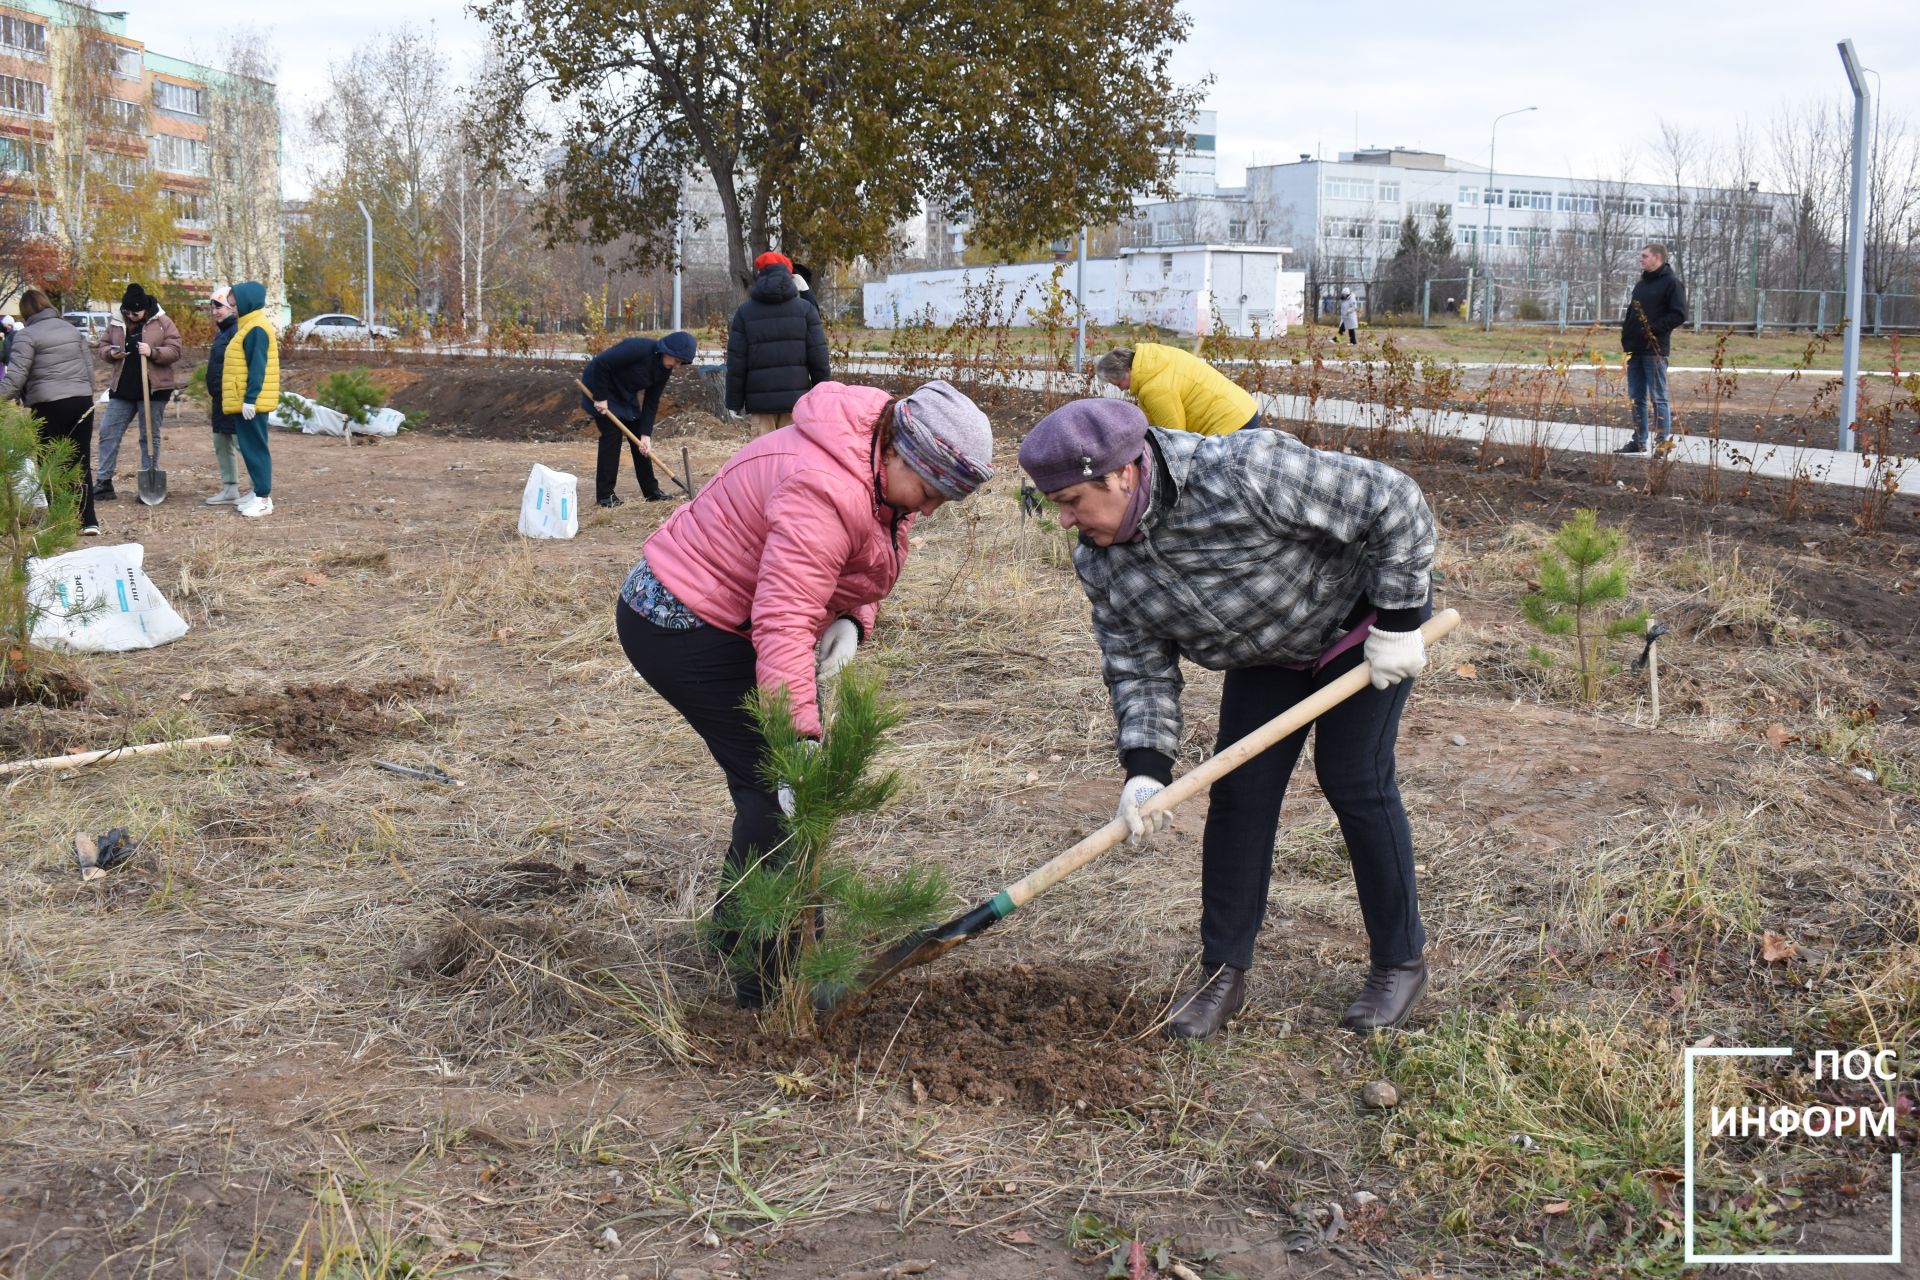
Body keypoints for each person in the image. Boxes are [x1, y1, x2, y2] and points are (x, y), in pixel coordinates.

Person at [1017, 397, 1437, 1040]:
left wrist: (1401, 620)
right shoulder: (1102, 563)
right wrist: (1145, 769)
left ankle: (1399, 961)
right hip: (1267, 648)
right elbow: (1139, 669)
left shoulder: (1243, 470)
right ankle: (1221, 974)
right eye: (1058, 506)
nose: (1069, 520)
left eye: (1073, 500)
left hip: (1359, 624)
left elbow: (1394, 499)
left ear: (1123, 473)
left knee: (1352, 776)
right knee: (1240, 793)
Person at [616, 378, 993, 1007]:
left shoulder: (871, 457)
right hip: (679, 621)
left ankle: (741, 930)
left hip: (722, 615)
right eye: (928, 493)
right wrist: (800, 736)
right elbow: (785, 619)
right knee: (778, 787)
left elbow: (859, 558)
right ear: (898, 453)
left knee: (771, 787)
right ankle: (771, 980)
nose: (927, 510)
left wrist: (853, 618)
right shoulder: (826, 484)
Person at [0, 289, 99, 535]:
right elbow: (90, 372)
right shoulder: (72, 330)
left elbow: (15, 378)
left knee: (50, 463)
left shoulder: (27, 336)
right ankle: (89, 521)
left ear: (26, 312)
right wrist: (84, 393)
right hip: (81, 401)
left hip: (47, 405)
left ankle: (59, 521)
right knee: (80, 460)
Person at [579, 330, 696, 507]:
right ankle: (605, 496)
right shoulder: (638, 348)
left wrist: (646, 435)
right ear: (667, 351)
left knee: (640, 443)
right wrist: (601, 397)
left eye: (681, 362)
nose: (677, 365)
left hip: (625, 395)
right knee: (612, 437)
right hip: (600, 387)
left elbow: (651, 401)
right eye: (677, 360)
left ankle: (651, 491)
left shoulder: (664, 369)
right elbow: (601, 364)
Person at [92, 283, 183, 502]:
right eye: (128, 312)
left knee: (148, 436)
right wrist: (110, 353)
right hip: (123, 389)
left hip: (153, 389)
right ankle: (104, 482)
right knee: (108, 432)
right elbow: (103, 345)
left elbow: (176, 349)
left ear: (145, 308)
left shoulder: (161, 321)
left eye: (136, 312)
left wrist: (153, 351)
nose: (131, 316)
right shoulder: (116, 321)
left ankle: (148, 482)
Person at [725, 251, 829, 437]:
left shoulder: (744, 313)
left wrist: (734, 402)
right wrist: (824, 397)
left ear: (760, 275)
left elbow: (736, 362)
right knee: (790, 460)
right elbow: (819, 359)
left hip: (760, 404)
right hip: (796, 403)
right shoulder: (805, 310)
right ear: (790, 276)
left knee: (763, 462)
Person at [1616, 243, 1687, 458]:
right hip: (1635, 351)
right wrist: (1627, 340)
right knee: (1637, 397)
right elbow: (1631, 315)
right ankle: (1639, 441)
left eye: (1645, 256)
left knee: (1658, 397)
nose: (1641, 259)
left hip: (1654, 351)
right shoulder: (1641, 285)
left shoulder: (1672, 284)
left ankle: (1662, 443)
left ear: (1657, 258)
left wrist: (1652, 330)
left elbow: (1679, 314)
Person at [1094, 343, 1259, 436]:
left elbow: (1176, 438)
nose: (1122, 390)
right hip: (1242, 408)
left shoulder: (1154, 389)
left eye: (1118, 384)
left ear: (1127, 372)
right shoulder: (1156, 358)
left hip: (1230, 425)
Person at [220, 280, 280, 519]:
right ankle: (257, 491)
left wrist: (250, 399)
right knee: (249, 447)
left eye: (234, 303)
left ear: (246, 303)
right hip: (245, 400)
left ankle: (264, 498)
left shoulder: (256, 328)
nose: (232, 308)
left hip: (251, 402)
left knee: (256, 448)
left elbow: (258, 367)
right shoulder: (248, 325)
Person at [201, 287, 243, 505]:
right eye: (213, 307)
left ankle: (259, 490)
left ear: (232, 308)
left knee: (242, 444)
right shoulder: (223, 333)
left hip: (234, 398)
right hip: (220, 399)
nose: (214, 311)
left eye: (219, 306)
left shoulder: (238, 331)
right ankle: (230, 488)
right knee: (221, 442)